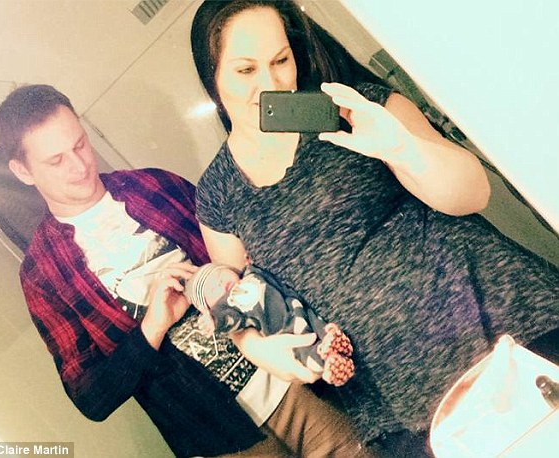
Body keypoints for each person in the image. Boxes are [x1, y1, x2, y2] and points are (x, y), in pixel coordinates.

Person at [189, 1, 559, 456]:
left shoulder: (358, 109)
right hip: (399, 404)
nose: (271, 84)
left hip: (510, 325)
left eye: (281, 60)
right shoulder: (217, 191)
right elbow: (239, 300)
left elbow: (472, 193)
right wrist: (256, 348)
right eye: (246, 70)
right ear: (212, 77)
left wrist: (402, 149)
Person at [0, 84, 367, 457]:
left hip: (290, 376)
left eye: (79, 144)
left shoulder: (155, 185)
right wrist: (153, 328)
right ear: (22, 170)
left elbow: (253, 257)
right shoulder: (43, 274)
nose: (79, 166)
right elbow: (92, 398)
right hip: (215, 435)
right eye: (56, 161)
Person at [185, 262, 356, 386]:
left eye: (219, 275)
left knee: (322, 326)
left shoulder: (251, 274)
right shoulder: (233, 307)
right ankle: (331, 364)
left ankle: (336, 342)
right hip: (287, 331)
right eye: (212, 289)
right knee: (305, 352)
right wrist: (215, 320)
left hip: (297, 306)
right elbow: (231, 321)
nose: (220, 283)